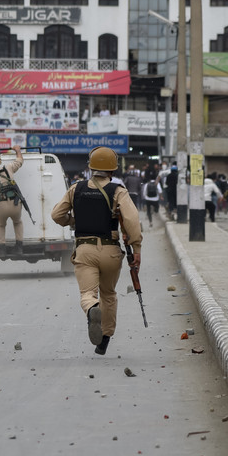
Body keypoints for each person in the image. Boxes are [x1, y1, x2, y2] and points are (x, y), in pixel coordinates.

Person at [51, 147, 141, 356]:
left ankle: (92, 308)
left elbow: (57, 215)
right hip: (110, 251)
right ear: (113, 170)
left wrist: (73, 220)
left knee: (88, 294)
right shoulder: (118, 191)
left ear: (91, 168)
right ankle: (105, 339)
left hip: (85, 249)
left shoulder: (76, 189)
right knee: (109, 294)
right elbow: (132, 221)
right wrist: (136, 248)